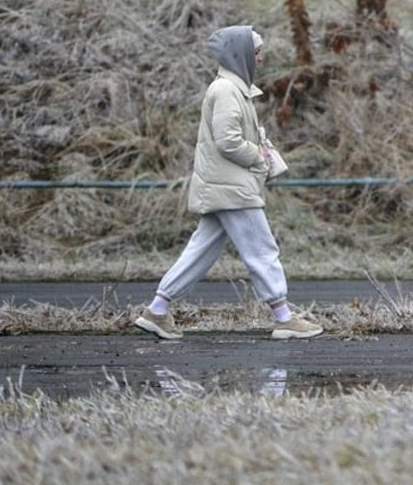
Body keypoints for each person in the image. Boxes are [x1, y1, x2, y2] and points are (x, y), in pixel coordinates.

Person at [134, 25, 323, 340]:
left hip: (222, 187)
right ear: (242, 54)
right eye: (257, 52)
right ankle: (283, 317)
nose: (261, 59)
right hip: (232, 189)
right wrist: (259, 157)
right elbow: (228, 141)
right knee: (262, 249)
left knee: (201, 251)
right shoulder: (226, 91)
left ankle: (157, 310)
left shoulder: (233, 89)